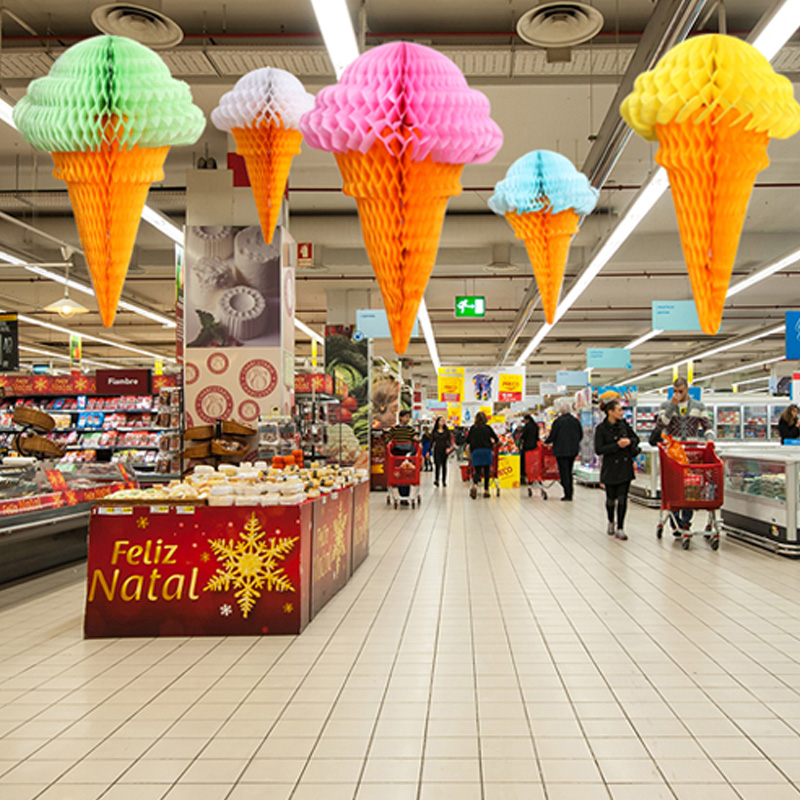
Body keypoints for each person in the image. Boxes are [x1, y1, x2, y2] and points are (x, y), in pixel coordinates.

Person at [649, 377, 713, 531]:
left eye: (681, 391)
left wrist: (710, 440)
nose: (678, 394)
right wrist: (673, 405)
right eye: (675, 391)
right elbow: (661, 424)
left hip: (692, 452)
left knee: (690, 486)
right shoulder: (666, 405)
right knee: (674, 485)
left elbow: (707, 425)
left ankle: (685, 520)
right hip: (673, 452)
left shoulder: (698, 406)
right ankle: (675, 517)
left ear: (687, 390)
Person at [594, 398, 639, 541]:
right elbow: (599, 449)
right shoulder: (601, 429)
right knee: (610, 499)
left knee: (623, 499)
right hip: (610, 467)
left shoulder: (624, 425)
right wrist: (616, 445)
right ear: (610, 412)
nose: (622, 412)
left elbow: (636, 439)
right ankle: (610, 522)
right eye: (619, 410)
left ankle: (620, 527)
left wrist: (629, 442)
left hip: (625, 466)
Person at [545, 400, 583, 501]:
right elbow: (581, 435)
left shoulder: (558, 421)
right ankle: (570, 492)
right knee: (569, 471)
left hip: (561, 451)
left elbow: (553, 435)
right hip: (573, 450)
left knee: (564, 472)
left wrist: (546, 441)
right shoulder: (576, 421)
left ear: (561, 411)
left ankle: (567, 493)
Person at [387, 409, 418, 503]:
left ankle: (405, 496)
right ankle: (402, 495)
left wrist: (416, 439)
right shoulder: (395, 429)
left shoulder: (410, 429)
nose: (408, 419)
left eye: (409, 417)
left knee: (406, 474)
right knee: (399, 474)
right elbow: (388, 438)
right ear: (400, 417)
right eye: (406, 417)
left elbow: (416, 438)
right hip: (397, 455)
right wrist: (389, 442)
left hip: (408, 455)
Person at [466, 411, 499, 498]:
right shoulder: (488, 428)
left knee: (477, 471)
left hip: (476, 452)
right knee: (487, 472)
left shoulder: (473, 428)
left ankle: (475, 486)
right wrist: (492, 443)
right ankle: (486, 491)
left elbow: (467, 440)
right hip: (486, 451)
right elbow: (496, 439)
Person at [430, 416, 454, 487]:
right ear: (437, 422)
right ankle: (436, 480)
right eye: (441, 421)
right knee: (437, 465)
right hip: (437, 449)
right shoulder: (434, 432)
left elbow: (449, 440)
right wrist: (428, 451)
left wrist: (449, 447)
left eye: (443, 421)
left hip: (444, 449)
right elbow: (431, 441)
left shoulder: (447, 431)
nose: (442, 422)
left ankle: (444, 481)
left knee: (444, 465)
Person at [518, 414, 540, 485]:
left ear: (527, 420)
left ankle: (523, 476)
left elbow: (523, 437)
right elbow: (537, 437)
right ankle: (534, 477)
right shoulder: (536, 426)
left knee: (524, 462)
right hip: (534, 447)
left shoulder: (527, 427)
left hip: (527, 447)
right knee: (533, 463)